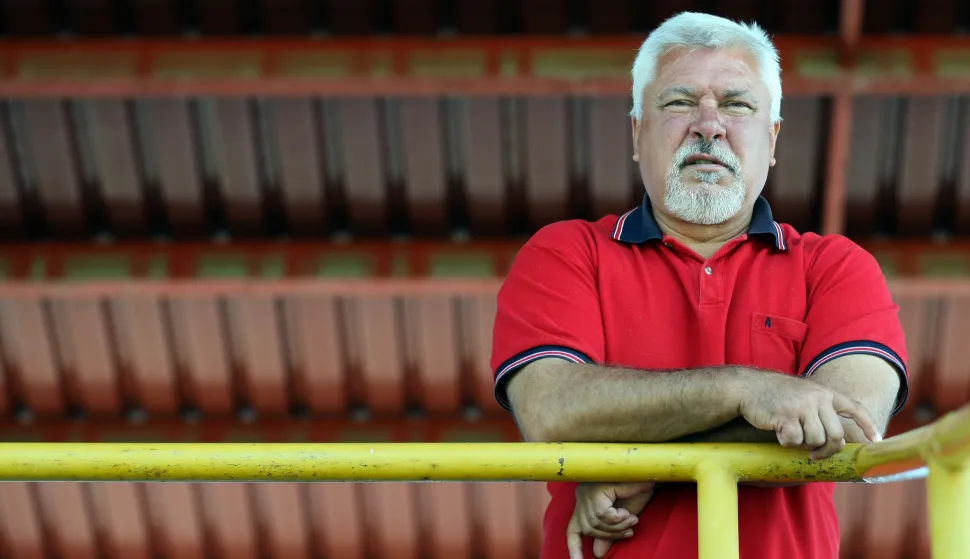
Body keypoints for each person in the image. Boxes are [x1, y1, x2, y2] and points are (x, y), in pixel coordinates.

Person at [489, 11, 908, 559]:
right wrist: (747, 390)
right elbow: (551, 411)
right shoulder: (566, 253)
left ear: (772, 137)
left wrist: (641, 466)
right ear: (638, 132)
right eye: (680, 102)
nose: (708, 125)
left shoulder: (836, 266)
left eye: (736, 105)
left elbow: (850, 425)